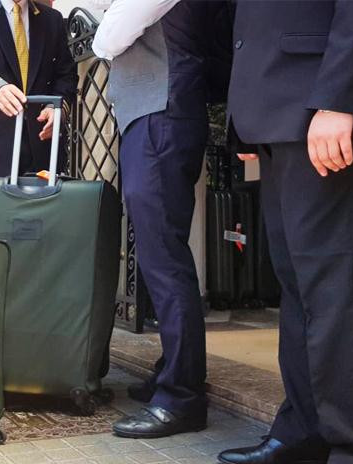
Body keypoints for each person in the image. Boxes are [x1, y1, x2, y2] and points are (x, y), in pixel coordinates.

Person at [218, 0, 353, 464]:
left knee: (331, 286)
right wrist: (245, 117)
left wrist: (339, 99)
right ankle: (305, 428)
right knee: (297, 284)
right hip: (278, 108)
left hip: (321, 101)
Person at [92, 0, 232, 439]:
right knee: (160, 253)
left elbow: (108, 37)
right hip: (158, 116)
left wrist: (103, 23)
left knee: (165, 257)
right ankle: (173, 370)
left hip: (160, 116)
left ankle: (182, 395)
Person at [0, 0, 77, 182]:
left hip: (40, 147)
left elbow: (66, 74)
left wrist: (56, 108)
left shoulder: (52, 19)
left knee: (40, 210)